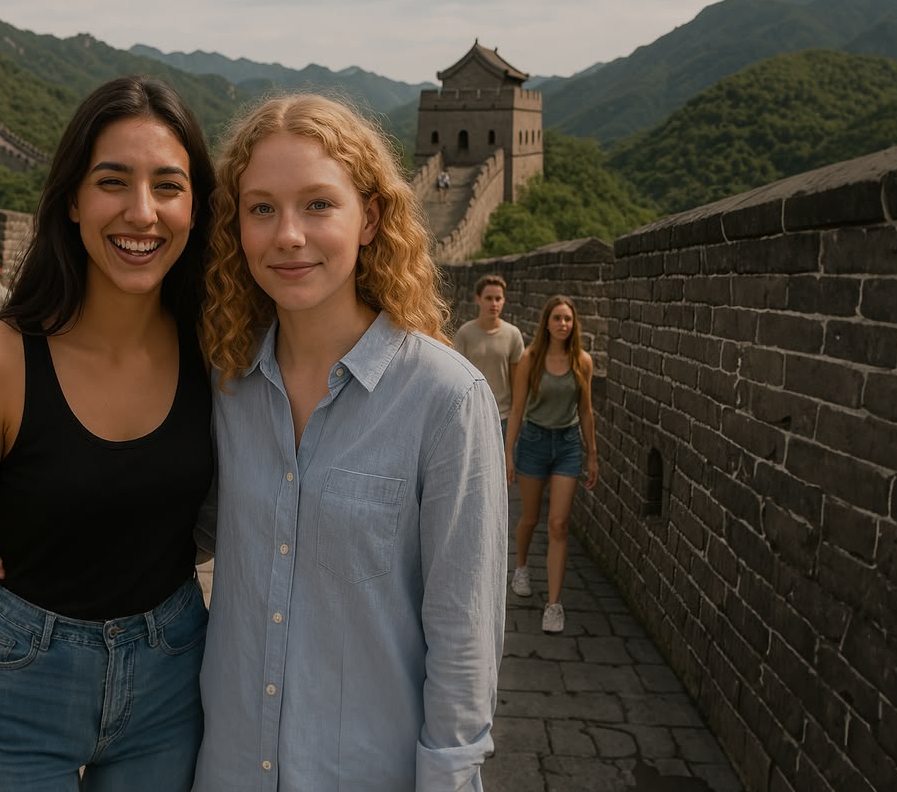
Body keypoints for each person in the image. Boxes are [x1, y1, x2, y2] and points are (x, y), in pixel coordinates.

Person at [0, 76, 217, 792]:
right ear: (73, 200)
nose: (142, 212)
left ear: (196, 207)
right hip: (21, 686)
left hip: (171, 679)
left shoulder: (217, 351)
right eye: (113, 182)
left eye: (169, 186)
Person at [194, 94, 506, 790]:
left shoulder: (445, 400)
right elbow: (188, 530)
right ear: (236, 227)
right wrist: (45, 541)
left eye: (318, 205)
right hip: (229, 769)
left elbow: (463, 639)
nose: (289, 235)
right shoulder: (229, 385)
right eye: (262, 208)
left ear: (370, 218)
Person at [503, 294, 598, 634]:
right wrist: (508, 453)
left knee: (558, 524)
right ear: (546, 322)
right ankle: (521, 567)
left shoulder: (582, 361)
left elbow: (586, 411)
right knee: (530, 518)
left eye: (568, 319)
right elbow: (516, 408)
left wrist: (592, 455)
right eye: (557, 318)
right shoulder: (531, 358)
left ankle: (554, 605)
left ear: (574, 325)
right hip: (534, 443)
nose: (562, 324)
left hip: (569, 444)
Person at [454, 274, 524, 438]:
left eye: (498, 298)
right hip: (472, 415)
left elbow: (517, 382)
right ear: (478, 299)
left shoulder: (513, 334)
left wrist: (517, 418)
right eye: (489, 298)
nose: (494, 303)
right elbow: (457, 378)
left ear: (504, 300)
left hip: (504, 417)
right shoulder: (465, 333)